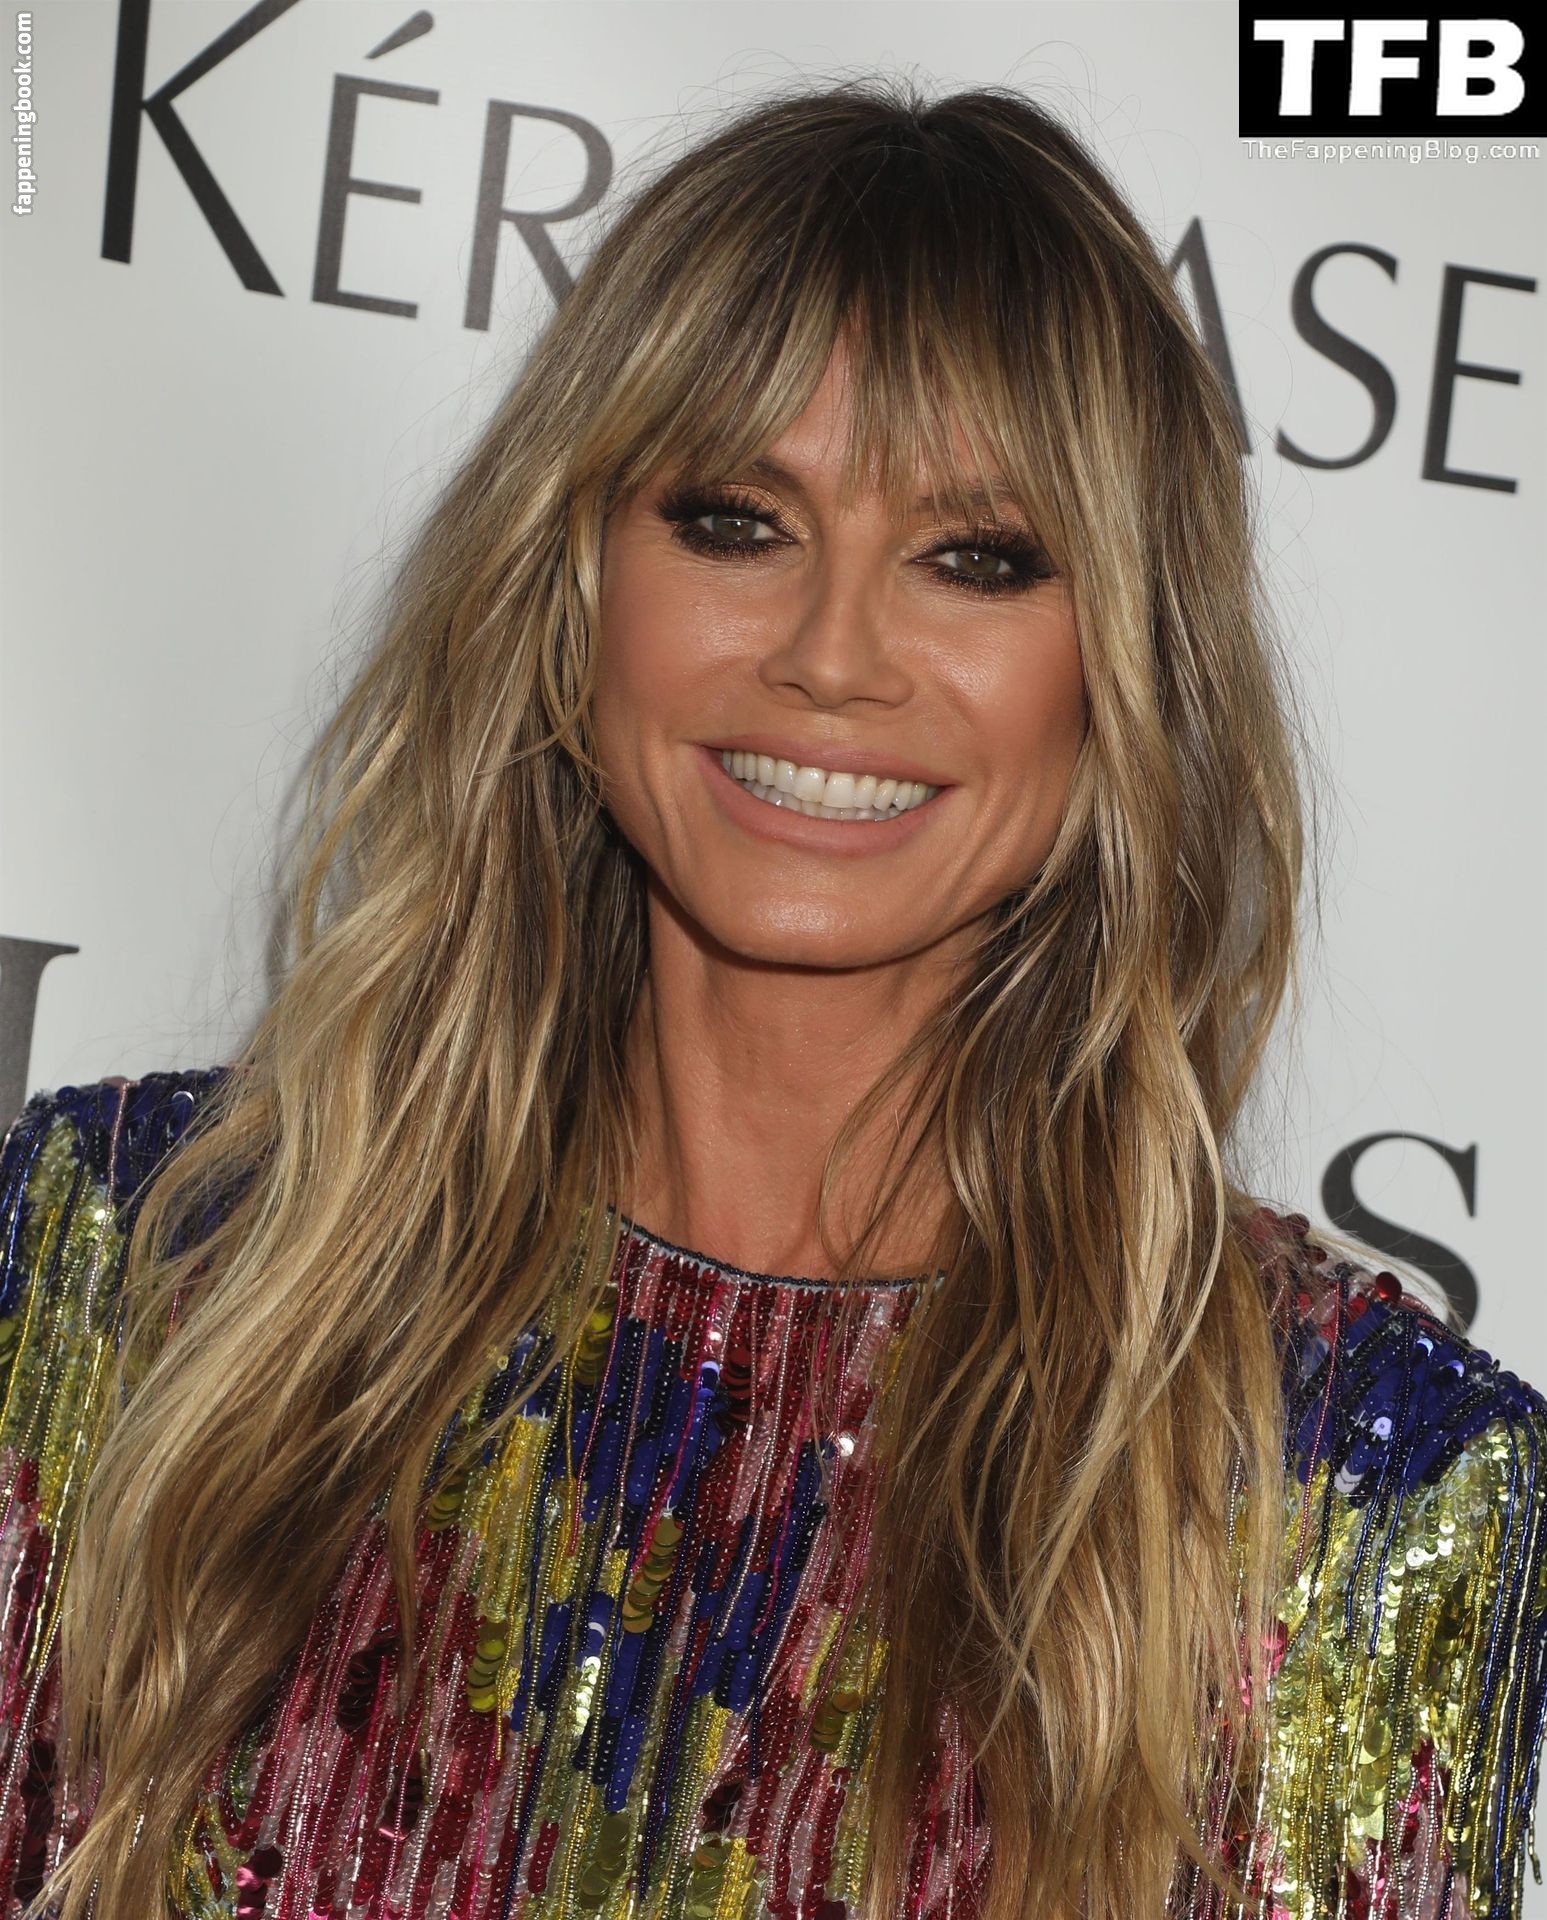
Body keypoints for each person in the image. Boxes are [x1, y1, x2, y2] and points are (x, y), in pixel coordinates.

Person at [0, 76, 1542, 1920]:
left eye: (976, 559)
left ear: (1129, 671)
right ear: (575, 589)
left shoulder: (1360, 1480)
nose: (830, 654)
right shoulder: (124, 1269)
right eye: (736, 522)